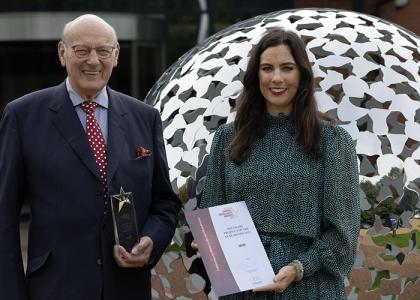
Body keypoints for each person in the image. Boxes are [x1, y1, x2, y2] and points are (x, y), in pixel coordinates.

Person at [0, 14, 180, 300]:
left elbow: (165, 203)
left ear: (116, 55)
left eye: (103, 51)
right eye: (81, 50)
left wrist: (151, 240)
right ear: (62, 53)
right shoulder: (23, 116)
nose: (93, 61)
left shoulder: (144, 117)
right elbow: (5, 215)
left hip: (127, 288)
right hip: (54, 289)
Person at [193, 27, 360, 299]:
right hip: (244, 288)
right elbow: (214, 213)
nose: (277, 78)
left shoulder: (333, 141)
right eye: (267, 68)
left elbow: (344, 235)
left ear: (302, 75)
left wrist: (298, 268)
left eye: (287, 68)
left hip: (309, 288)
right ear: (255, 75)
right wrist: (210, 243)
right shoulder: (228, 138)